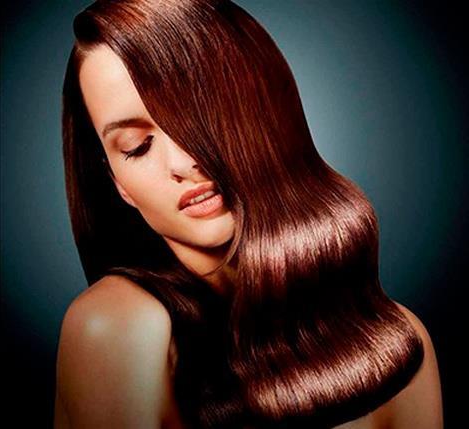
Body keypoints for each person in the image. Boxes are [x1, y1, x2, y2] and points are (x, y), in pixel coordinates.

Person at [54, 1, 443, 428]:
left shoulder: (395, 339)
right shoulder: (117, 325)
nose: (183, 163)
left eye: (198, 116)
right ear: (118, 184)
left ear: (266, 111)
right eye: (137, 146)